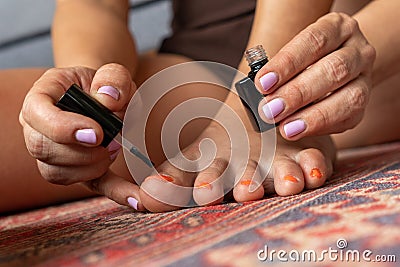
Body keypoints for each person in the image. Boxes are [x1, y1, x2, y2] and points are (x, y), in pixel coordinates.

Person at [1, 0, 399, 213]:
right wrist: (96, 92)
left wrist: (256, 107)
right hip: (192, 64)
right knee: (45, 124)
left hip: (345, 34)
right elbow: (94, 6)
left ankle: (302, 114)